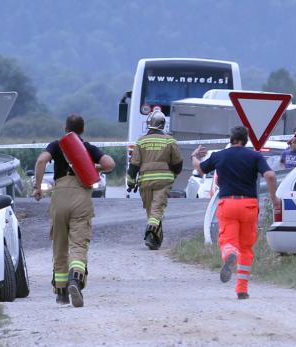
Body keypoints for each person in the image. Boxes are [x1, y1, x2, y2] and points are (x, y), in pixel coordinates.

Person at [33, 114, 115, 308]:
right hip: (81, 198)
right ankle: (75, 280)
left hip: (59, 197)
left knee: (59, 245)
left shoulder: (56, 145)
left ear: (65, 128)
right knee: (78, 244)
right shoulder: (88, 148)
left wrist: (37, 187)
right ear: (83, 129)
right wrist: (92, 167)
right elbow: (110, 164)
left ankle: (61, 293)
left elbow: (40, 161)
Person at [191, 126, 280, 300]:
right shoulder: (255, 156)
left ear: (230, 139)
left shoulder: (219, 156)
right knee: (246, 247)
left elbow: (200, 169)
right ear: (246, 140)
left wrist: (194, 156)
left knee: (227, 241)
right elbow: (269, 175)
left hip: (228, 203)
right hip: (249, 205)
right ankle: (242, 289)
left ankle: (230, 253)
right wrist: (273, 197)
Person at [126, 109, 183, 250]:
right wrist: (174, 174)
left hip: (145, 181)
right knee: (157, 211)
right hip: (163, 181)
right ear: (163, 124)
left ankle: (154, 240)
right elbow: (178, 163)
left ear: (148, 124)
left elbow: (134, 164)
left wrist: (131, 182)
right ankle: (151, 232)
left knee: (151, 211)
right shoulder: (170, 141)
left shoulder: (141, 141)